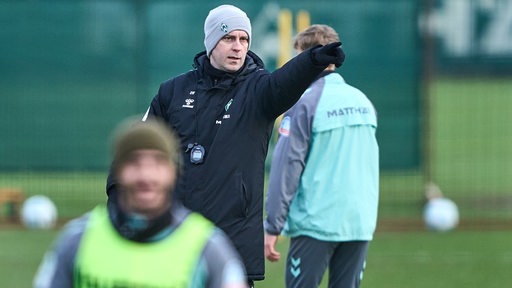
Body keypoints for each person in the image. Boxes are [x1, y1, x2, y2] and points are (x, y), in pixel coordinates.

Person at [106, 4, 345, 286]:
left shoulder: (260, 89)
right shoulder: (173, 91)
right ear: (210, 42)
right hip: (176, 235)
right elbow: (139, 146)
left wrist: (313, 60)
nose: (237, 47)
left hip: (235, 237)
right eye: (228, 38)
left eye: (244, 39)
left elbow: (285, 82)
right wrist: (117, 194)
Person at [34, 119, 248, 288]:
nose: (146, 176)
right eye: (134, 162)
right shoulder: (77, 240)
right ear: (117, 170)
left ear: (174, 172)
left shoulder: (207, 248)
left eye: (158, 162)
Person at [264, 24, 379, 288]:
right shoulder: (363, 102)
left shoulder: (304, 103)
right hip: (359, 222)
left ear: (305, 58)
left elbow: (286, 167)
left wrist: (272, 225)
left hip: (316, 223)